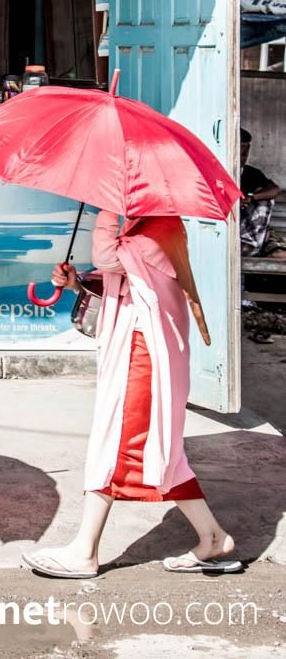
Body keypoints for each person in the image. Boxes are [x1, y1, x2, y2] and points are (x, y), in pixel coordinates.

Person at [22, 210, 242, 578]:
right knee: (158, 452)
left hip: (142, 351)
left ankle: (84, 551)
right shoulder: (144, 229)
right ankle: (213, 537)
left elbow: (107, 257)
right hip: (137, 347)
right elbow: (121, 279)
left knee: (120, 446)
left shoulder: (158, 229)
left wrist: (107, 212)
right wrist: (76, 284)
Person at [240, 128, 283, 257]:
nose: (244, 153)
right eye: (241, 148)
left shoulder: (252, 173)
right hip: (231, 233)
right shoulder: (219, 172)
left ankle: (253, 245)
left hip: (255, 234)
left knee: (265, 199)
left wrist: (250, 197)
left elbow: (274, 189)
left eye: (247, 149)